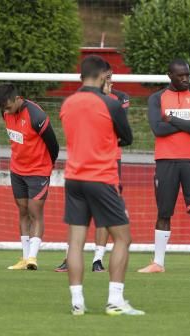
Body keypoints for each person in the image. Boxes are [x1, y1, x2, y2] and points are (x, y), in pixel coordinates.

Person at [61, 55, 142, 316]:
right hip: (101, 178)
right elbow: (127, 138)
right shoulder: (111, 104)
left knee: (75, 242)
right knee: (123, 238)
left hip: (73, 178)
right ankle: (115, 300)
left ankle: (77, 302)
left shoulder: (67, 103)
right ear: (102, 75)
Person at [138, 59, 190, 275]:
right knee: (164, 212)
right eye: (180, 75)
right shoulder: (157, 98)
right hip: (166, 161)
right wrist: (187, 125)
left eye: (187, 75)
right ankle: (158, 263)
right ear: (170, 76)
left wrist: (173, 119)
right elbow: (158, 129)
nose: (185, 78)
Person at [55, 72, 126, 273]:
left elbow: (123, 134)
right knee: (80, 222)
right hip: (83, 166)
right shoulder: (78, 101)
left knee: (102, 217)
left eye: (111, 77)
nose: (109, 81)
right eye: (106, 77)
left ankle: (97, 259)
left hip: (108, 164)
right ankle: (70, 259)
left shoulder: (117, 100)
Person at [0, 83, 57, 271]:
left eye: (8, 107)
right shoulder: (5, 112)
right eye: (3, 108)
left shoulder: (36, 115)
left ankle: (33, 257)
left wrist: (46, 165)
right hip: (17, 169)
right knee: (22, 211)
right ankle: (24, 256)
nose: (7, 111)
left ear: (17, 99)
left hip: (38, 171)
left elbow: (53, 145)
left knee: (35, 211)